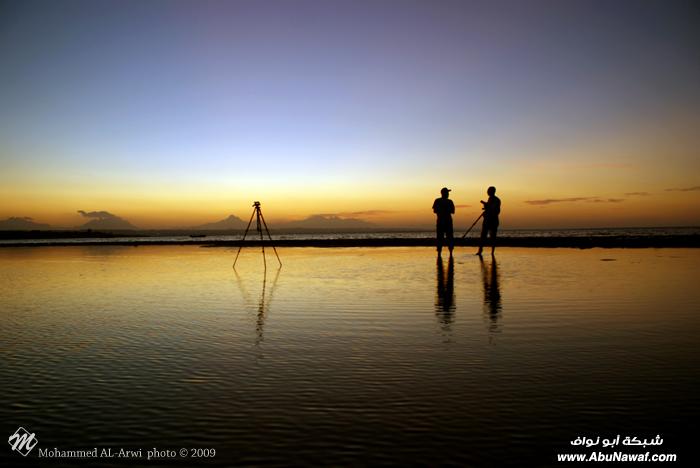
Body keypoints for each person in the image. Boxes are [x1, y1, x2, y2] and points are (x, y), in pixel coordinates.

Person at [476, 186, 501, 256]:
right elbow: (490, 207)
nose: (487, 192)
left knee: (492, 236)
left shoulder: (496, 200)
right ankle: (480, 250)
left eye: (488, 191)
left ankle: (492, 252)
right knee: (483, 235)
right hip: (487, 220)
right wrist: (486, 207)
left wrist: (487, 206)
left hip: (493, 221)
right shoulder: (490, 199)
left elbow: (496, 210)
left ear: (492, 191)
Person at [432, 187, 455, 257]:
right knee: (448, 237)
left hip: (442, 221)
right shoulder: (449, 201)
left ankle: (441, 253)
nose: (448, 194)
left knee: (441, 237)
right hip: (446, 222)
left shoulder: (438, 201)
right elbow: (453, 211)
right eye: (447, 193)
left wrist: (441, 211)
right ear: (444, 193)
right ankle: (449, 253)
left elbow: (434, 211)